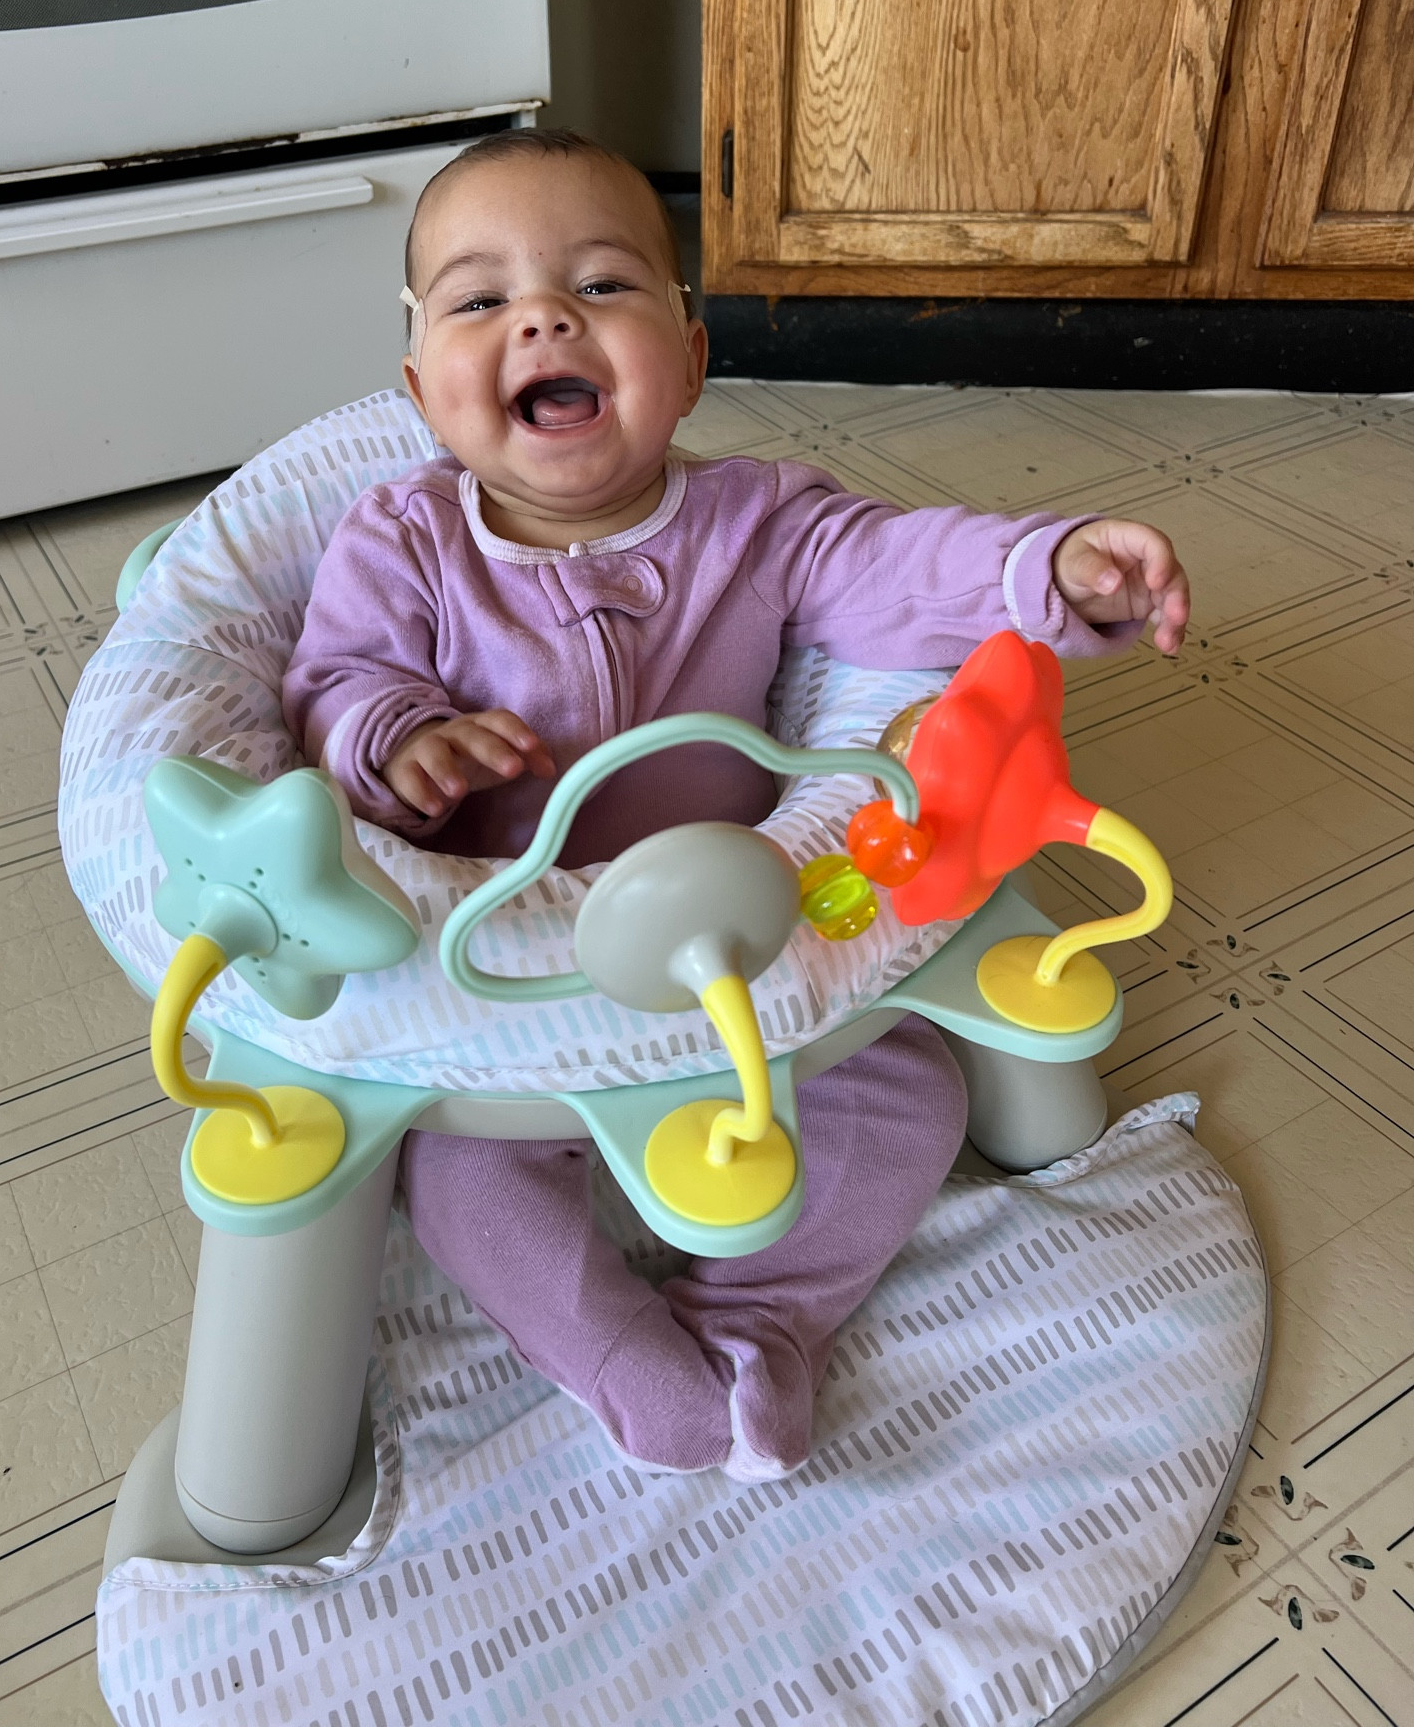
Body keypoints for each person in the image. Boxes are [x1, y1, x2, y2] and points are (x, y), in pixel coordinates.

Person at [282, 127, 1191, 1480]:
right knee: (460, 1174)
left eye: (602, 286)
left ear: (693, 360)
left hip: (749, 937)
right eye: (482, 300)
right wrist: (398, 741)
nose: (543, 316)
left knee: (905, 1097)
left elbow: (898, 564)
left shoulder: (759, 520)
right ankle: (619, 1360)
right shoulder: (404, 538)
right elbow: (333, 681)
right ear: (423, 392)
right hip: (514, 966)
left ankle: (767, 1316)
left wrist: (1050, 564)